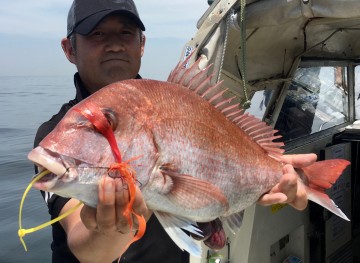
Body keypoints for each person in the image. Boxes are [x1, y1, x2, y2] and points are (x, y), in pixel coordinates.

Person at [33, 0, 316, 262]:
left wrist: (267, 173)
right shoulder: (54, 135)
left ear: (142, 44)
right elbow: (82, 240)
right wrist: (110, 231)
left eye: (126, 33)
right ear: (70, 49)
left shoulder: (174, 100)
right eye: (96, 34)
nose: (115, 45)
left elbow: (204, 203)